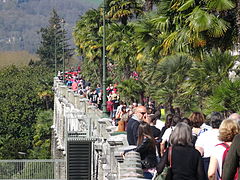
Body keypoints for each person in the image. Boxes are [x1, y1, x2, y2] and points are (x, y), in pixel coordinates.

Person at [195, 112, 223, 179]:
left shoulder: (204, 135)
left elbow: (198, 151)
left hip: (207, 163)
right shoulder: (225, 135)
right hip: (222, 162)